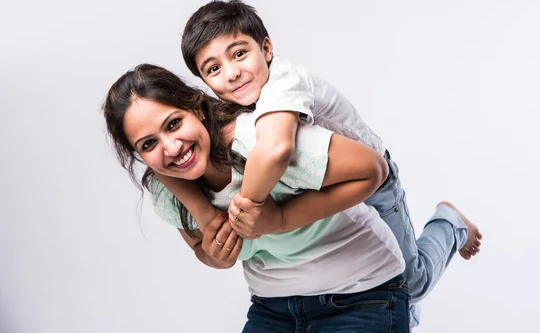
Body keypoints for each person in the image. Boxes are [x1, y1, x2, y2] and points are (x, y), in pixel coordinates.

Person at [160, 0, 483, 327]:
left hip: (373, 181)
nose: (231, 73)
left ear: (267, 48)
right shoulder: (238, 103)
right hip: (322, 182)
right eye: (213, 69)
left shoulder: (282, 83)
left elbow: (275, 149)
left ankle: (449, 223)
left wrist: (254, 211)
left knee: (412, 281)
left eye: (239, 53)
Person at [103, 64, 411, 332]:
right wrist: (215, 254)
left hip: (361, 295)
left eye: (173, 124)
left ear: (195, 107)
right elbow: (202, 250)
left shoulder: (259, 143)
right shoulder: (168, 190)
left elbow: (372, 170)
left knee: (419, 275)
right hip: (273, 308)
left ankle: (448, 225)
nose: (171, 148)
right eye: (148, 144)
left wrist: (280, 219)